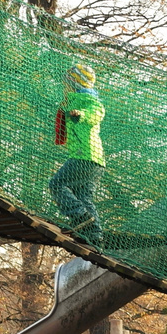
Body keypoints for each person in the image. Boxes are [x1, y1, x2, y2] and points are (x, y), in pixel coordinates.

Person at [49, 64, 107, 245]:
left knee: (57, 184)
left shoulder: (87, 99)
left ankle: (79, 216)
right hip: (96, 160)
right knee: (84, 196)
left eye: (67, 82)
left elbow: (97, 113)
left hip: (85, 156)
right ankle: (95, 235)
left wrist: (80, 114)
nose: (64, 86)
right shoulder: (74, 100)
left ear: (74, 82)